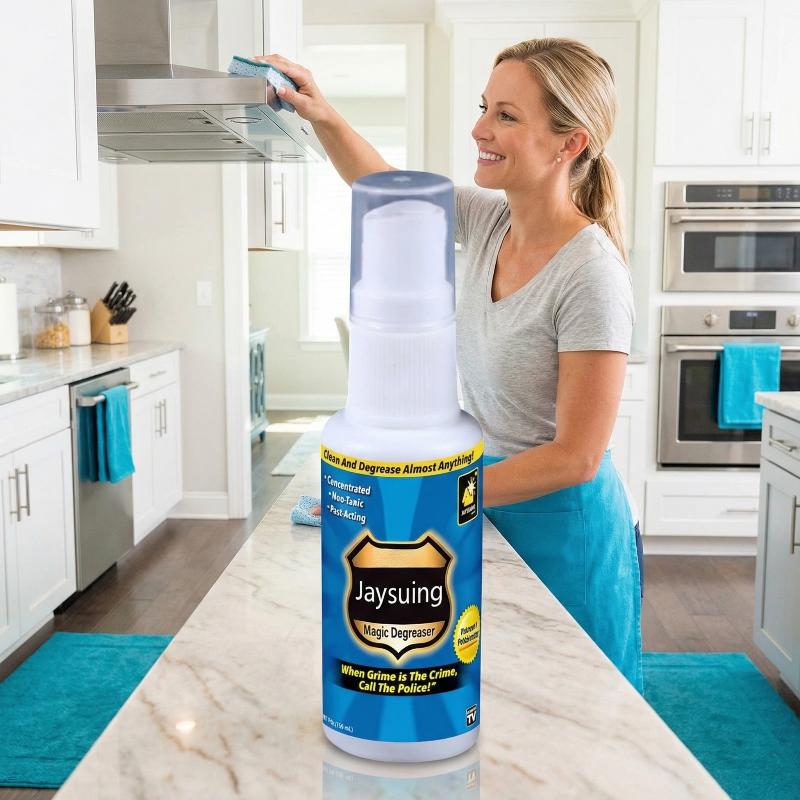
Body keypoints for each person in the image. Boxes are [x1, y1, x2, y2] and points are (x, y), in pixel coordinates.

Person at [261, 37, 642, 691]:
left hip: (562, 526)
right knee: (499, 696)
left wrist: (434, 494)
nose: (479, 129)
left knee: (577, 708)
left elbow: (576, 457)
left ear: (569, 143)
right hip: (491, 500)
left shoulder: (591, 274)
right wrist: (321, 113)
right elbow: (384, 188)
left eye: (506, 116)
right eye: (484, 108)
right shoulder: (493, 221)